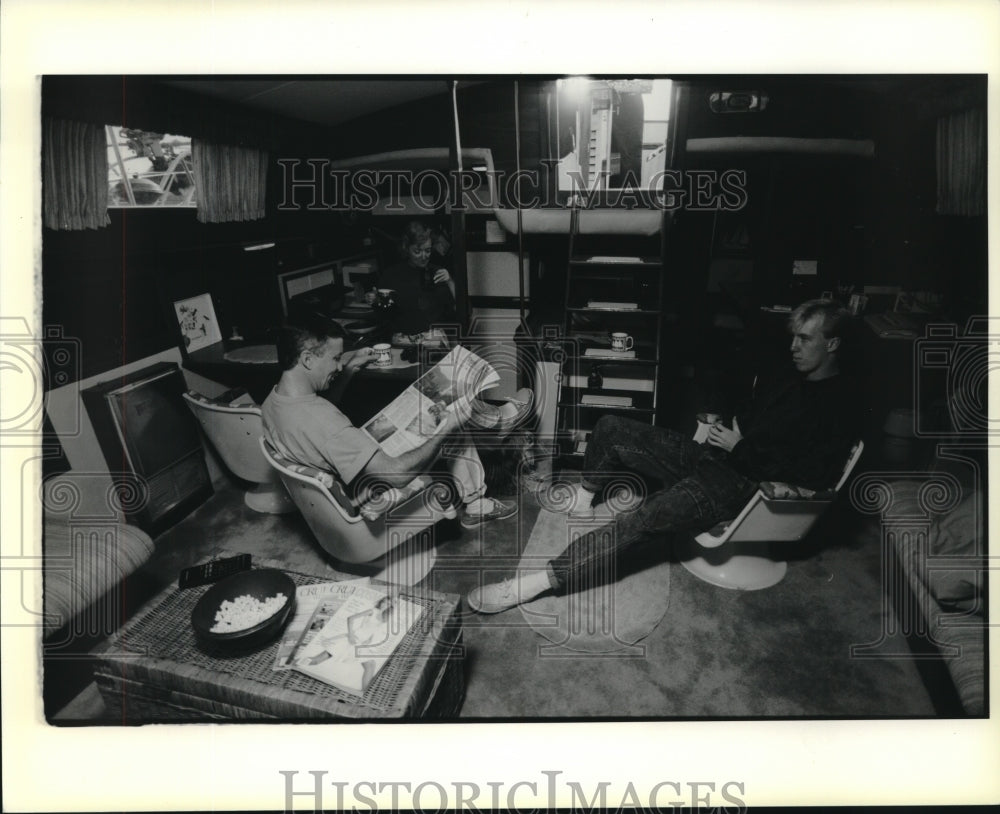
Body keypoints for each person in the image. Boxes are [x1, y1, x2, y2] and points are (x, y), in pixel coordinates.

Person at [468, 298, 864, 613]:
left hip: (742, 488)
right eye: (793, 336)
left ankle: (532, 584)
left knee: (643, 517)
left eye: (805, 339)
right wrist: (733, 431)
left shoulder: (839, 408)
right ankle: (587, 497)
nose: (794, 347)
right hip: (717, 459)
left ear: (833, 344)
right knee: (610, 427)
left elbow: (814, 475)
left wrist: (741, 448)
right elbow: (753, 416)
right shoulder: (789, 378)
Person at [261, 316, 529, 528]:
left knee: (428, 409)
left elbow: (319, 416)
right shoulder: (324, 423)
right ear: (307, 359)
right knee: (450, 425)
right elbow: (398, 475)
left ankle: (492, 423)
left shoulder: (274, 402)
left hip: (333, 487)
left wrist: (351, 368)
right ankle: (481, 484)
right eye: (334, 358)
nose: (338, 366)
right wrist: (447, 428)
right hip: (368, 498)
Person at [375, 220, 457, 347]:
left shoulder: (438, 272)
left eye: (428, 250)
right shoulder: (391, 275)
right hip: (402, 340)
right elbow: (384, 315)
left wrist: (450, 281)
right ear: (406, 248)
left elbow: (464, 310)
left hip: (434, 341)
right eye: (417, 251)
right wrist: (375, 300)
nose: (424, 256)